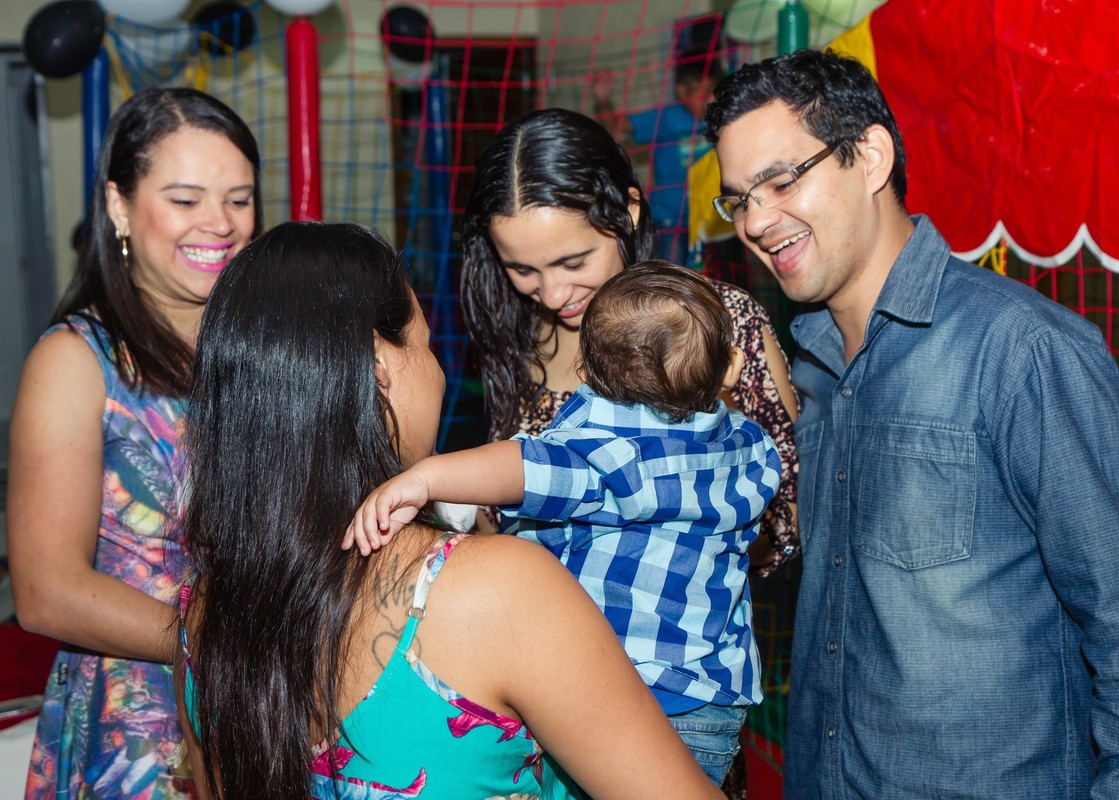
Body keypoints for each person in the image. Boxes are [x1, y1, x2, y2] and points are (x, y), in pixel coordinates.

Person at [705, 48, 1119, 798]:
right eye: (740, 200)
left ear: (869, 156)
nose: (758, 221)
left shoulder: (1022, 351)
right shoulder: (800, 369)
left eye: (781, 181)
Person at [176, 221, 726, 800]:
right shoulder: (492, 590)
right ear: (378, 366)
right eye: (428, 344)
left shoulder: (201, 617)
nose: (439, 372)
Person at [348, 259, 781, 786]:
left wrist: (426, 479)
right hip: (713, 702)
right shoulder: (750, 450)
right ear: (732, 368)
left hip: (629, 694)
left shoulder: (611, 457)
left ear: (586, 372)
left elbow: (523, 469)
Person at [8, 87, 261, 799]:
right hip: (141, 729)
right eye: (185, 199)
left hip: (264, 708)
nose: (219, 223)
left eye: (239, 199)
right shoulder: (75, 361)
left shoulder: (262, 345)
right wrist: (214, 648)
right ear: (120, 206)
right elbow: (47, 591)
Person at [460, 107, 799, 579]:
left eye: (574, 262)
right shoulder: (518, 338)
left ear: (629, 211)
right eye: (523, 270)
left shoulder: (716, 323)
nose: (553, 293)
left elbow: (786, 520)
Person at [593, 49, 723, 263]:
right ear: (681, 91)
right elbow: (614, 128)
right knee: (672, 279)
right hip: (670, 219)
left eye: (714, 91)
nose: (710, 99)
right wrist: (602, 98)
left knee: (713, 281)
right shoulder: (667, 117)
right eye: (704, 91)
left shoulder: (720, 117)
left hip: (711, 218)